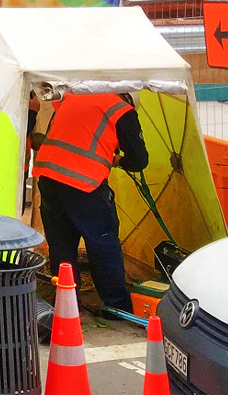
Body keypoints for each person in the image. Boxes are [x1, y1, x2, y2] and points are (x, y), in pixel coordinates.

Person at [32, 90, 149, 313]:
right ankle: (117, 307)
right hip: (84, 184)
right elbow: (139, 160)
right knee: (103, 245)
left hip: (49, 178)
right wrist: (119, 160)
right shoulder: (122, 110)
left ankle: (66, 304)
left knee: (61, 246)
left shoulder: (72, 97)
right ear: (129, 99)